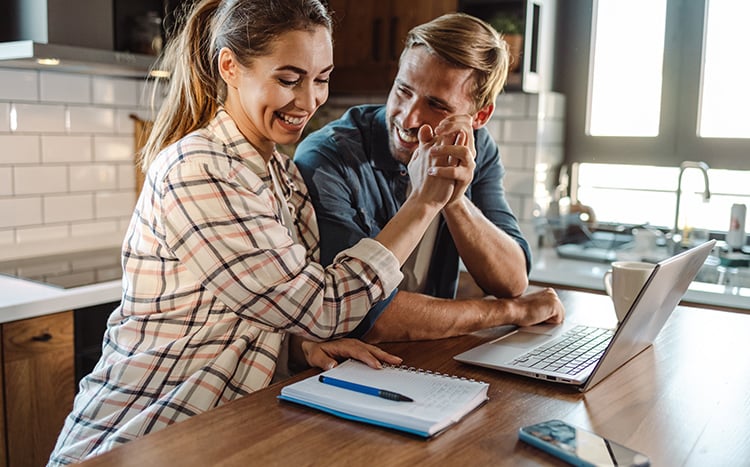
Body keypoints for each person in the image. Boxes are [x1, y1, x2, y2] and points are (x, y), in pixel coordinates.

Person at [48, 1, 459, 464]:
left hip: (213, 434)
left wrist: (301, 348)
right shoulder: (198, 169)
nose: (308, 101)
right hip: (136, 436)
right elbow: (323, 306)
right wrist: (424, 202)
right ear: (230, 67)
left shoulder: (282, 176)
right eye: (288, 79)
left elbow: (252, 316)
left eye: (321, 78)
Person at [294, 12, 565, 343]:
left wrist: (454, 199)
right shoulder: (328, 157)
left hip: (430, 359)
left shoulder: (475, 149)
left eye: (436, 105)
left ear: (479, 116)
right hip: (343, 368)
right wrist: (512, 312)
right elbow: (360, 314)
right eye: (403, 90)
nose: (409, 117)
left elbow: (511, 281)